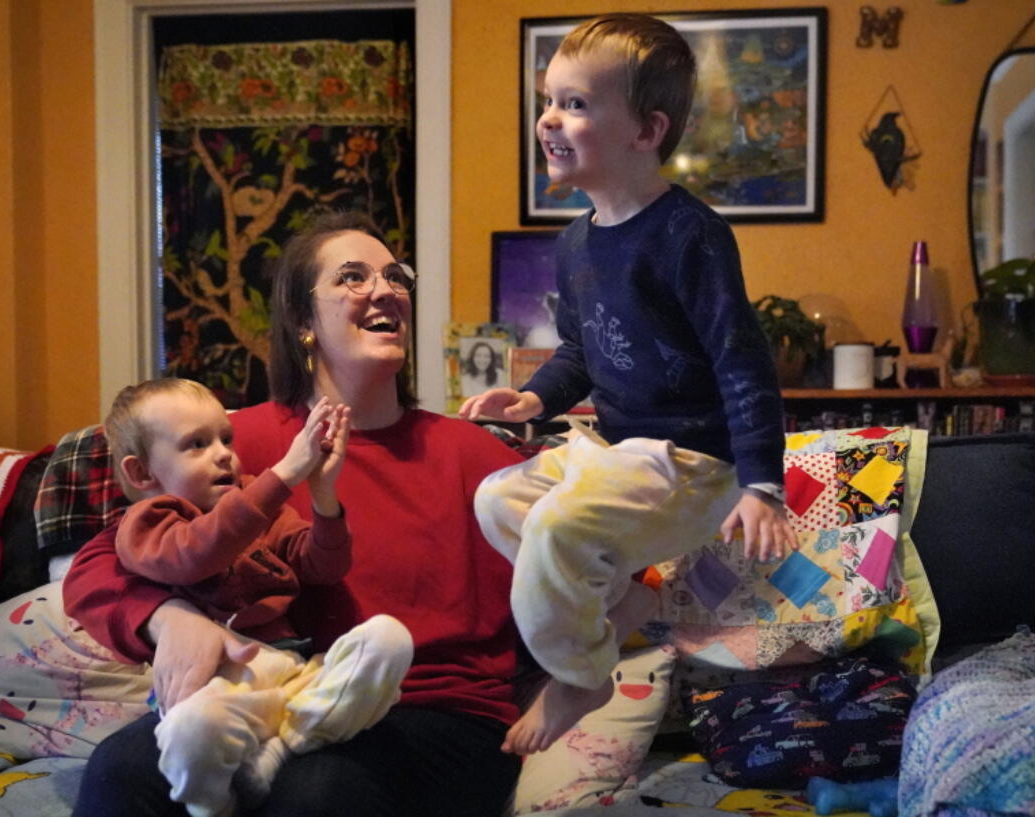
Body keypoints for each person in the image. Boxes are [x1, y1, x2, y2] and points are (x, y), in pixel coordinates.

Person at [63, 211, 526, 817]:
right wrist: (166, 617)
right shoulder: (232, 446)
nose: (386, 290)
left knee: (318, 790)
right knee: (121, 768)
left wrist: (572, 683)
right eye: (354, 278)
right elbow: (100, 563)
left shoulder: (474, 453)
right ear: (303, 322)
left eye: (395, 276)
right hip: (272, 698)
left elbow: (600, 565)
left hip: (438, 710)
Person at [459, 13, 797, 755]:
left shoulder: (690, 235)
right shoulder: (575, 240)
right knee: (498, 498)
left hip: (692, 465)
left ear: (646, 131)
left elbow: (743, 361)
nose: (550, 118)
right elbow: (581, 350)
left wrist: (762, 485)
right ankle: (630, 598)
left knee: (556, 526)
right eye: (548, 100)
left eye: (576, 104)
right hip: (617, 450)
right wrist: (533, 399)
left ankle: (580, 671)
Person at [101, 377, 412, 817]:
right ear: (142, 473)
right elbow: (196, 553)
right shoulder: (146, 524)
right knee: (189, 732)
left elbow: (323, 567)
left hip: (292, 673)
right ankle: (216, 805)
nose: (223, 453)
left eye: (225, 438)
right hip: (216, 689)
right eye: (197, 444)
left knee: (388, 639)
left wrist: (323, 496)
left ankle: (285, 747)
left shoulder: (253, 502)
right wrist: (283, 475)